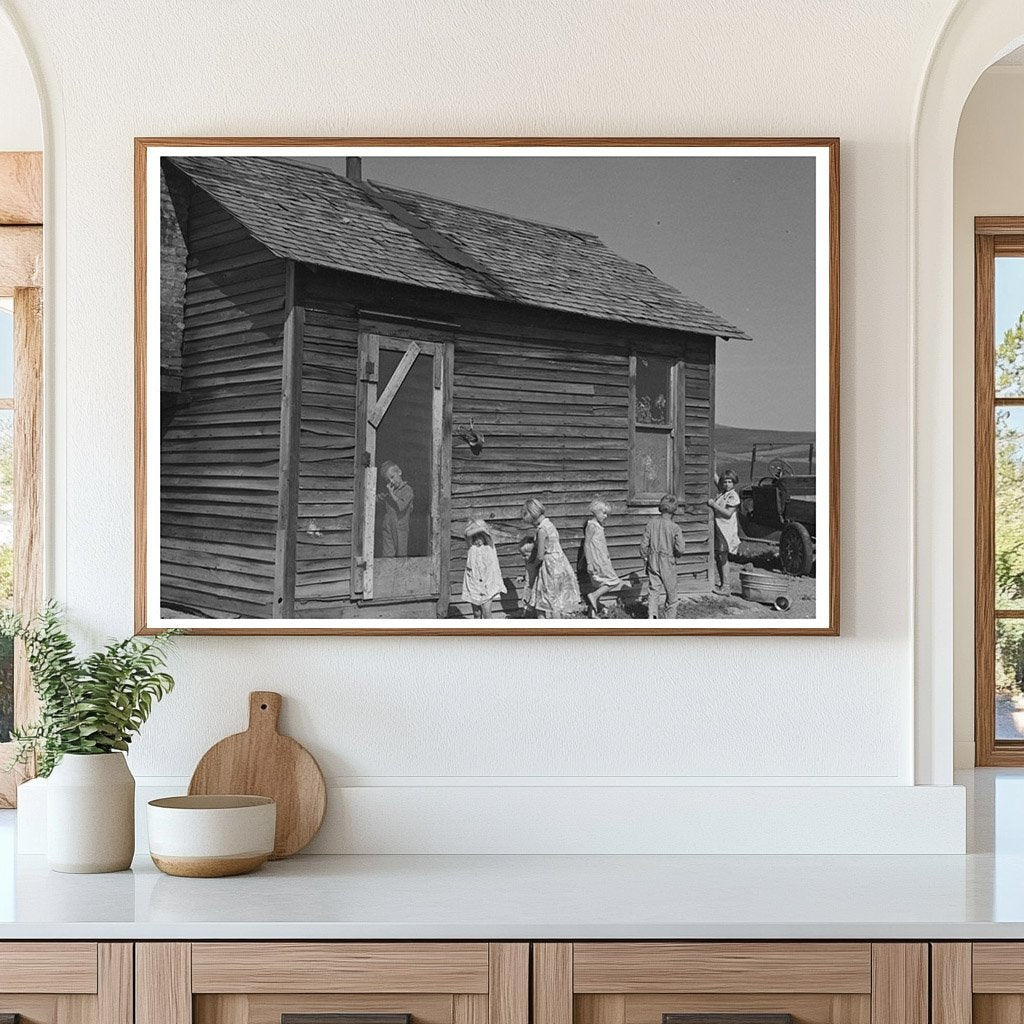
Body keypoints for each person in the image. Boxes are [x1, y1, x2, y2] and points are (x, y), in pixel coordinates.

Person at [521, 497, 581, 618]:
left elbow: (540, 555)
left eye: (531, 521)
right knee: (557, 601)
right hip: (561, 563)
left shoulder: (541, 530)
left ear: (533, 515)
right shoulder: (550, 524)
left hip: (550, 567)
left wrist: (533, 565)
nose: (532, 524)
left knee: (546, 600)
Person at [639, 493, 686, 619]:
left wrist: (645, 557)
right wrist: (676, 554)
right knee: (671, 593)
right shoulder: (675, 528)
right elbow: (681, 548)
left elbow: (643, 545)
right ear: (674, 510)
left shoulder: (651, 524)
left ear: (661, 508)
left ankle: (652, 617)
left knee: (654, 590)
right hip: (668, 562)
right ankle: (669, 620)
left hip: (653, 560)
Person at [581, 499, 625, 617]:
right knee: (614, 581)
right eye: (603, 513)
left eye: (607, 514)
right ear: (596, 512)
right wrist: (589, 563)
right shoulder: (591, 526)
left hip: (603, 559)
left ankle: (592, 613)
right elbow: (587, 544)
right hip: (597, 560)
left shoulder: (599, 525)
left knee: (600, 584)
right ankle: (593, 596)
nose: (605, 516)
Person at [461, 519, 505, 619]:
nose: (477, 540)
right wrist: (474, 528)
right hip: (474, 584)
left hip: (488, 583)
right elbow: (467, 534)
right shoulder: (471, 547)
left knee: (487, 613)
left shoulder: (489, 545)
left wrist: (481, 528)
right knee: (477, 613)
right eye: (474, 537)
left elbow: (487, 533)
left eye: (479, 536)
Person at [707, 468, 741, 592]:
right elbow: (716, 479)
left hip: (726, 530)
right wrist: (712, 466)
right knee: (719, 556)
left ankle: (726, 586)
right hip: (720, 529)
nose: (727, 484)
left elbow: (728, 513)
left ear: (734, 482)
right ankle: (722, 583)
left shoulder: (733, 496)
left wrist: (714, 505)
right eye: (725, 482)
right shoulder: (723, 493)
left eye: (730, 482)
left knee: (723, 557)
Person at [378, 461, 414, 558]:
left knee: (401, 556)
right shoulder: (389, 491)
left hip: (401, 529)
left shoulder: (407, 490)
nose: (391, 482)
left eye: (393, 477)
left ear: (399, 472)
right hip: (388, 527)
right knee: (387, 556)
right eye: (388, 480)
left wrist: (391, 494)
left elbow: (401, 506)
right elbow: (378, 500)